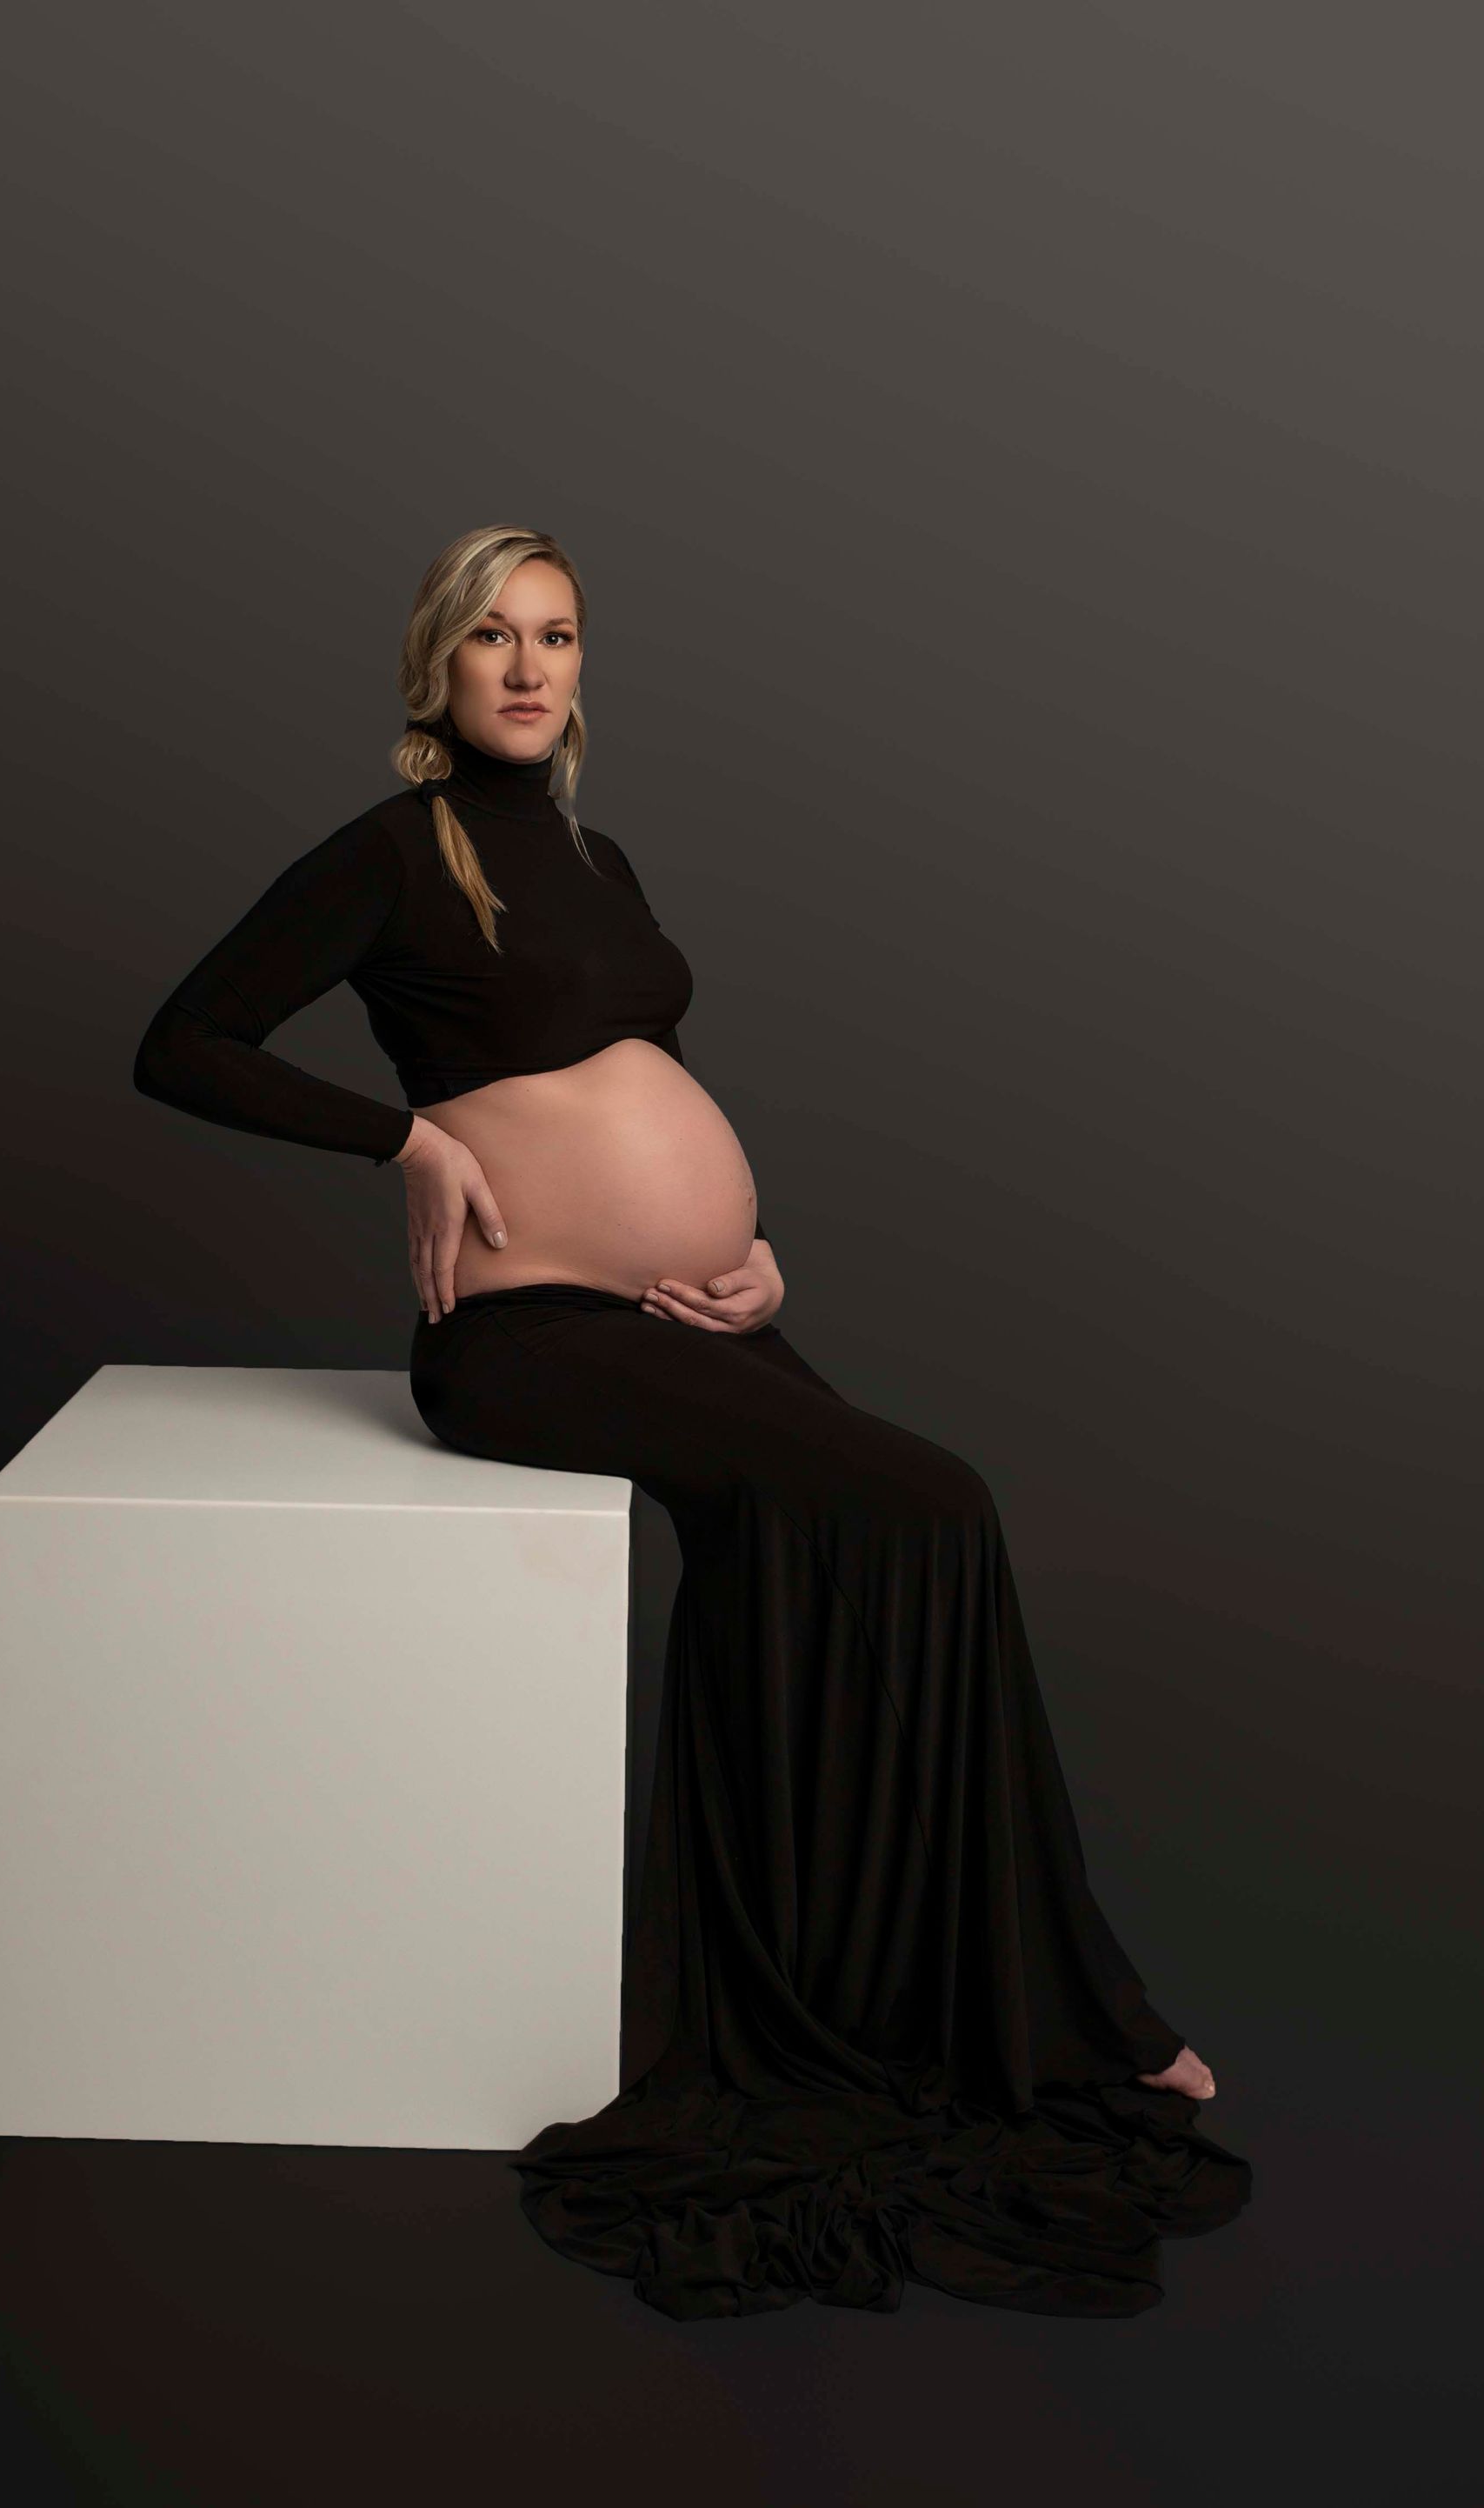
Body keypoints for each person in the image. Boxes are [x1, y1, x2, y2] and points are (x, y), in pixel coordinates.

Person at [132, 523, 1252, 2320]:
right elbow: (182, 1040)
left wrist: (753, 1253)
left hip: (669, 1310)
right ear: (436, 664)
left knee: (905, 1522)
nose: (526, 667)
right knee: (928, 1495)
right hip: (522, 1334)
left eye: (556, 637)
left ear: (584, 667)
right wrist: (401, 1138)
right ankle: (1041, 2010)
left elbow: (648, 1104)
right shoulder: (388, 855)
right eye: (491, 635)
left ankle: (986, 1997)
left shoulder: (593, 850)